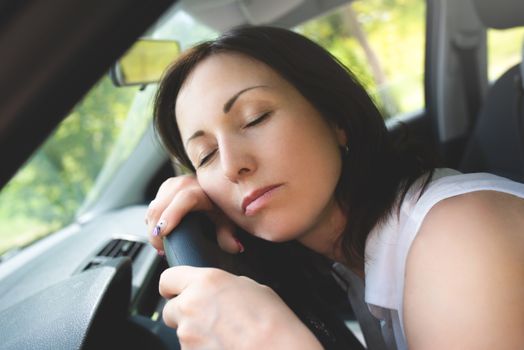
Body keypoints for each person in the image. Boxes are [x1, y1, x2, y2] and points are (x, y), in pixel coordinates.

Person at [146, 26, 524, 349]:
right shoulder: (358, 260)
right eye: (206, 155)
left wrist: (271, 337)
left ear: (336, 118)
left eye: (255, 117)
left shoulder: (459, 237)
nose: (231, 166)